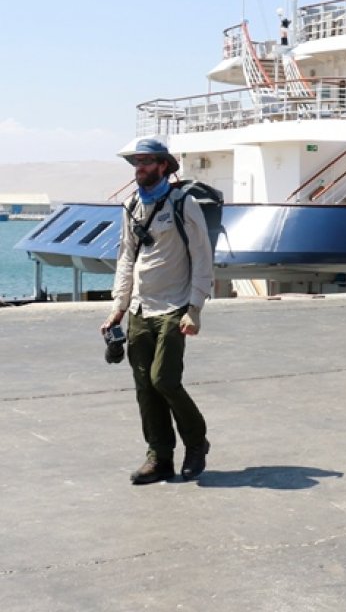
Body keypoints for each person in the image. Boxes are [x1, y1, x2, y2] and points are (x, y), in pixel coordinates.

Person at [101, 138, 213, 485]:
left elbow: (202, 257)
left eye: (147, 161)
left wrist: (194, 307)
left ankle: (196, 444)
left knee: (164, 380)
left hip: (174, 306)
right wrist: (118, 307)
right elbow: (126, 258)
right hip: (139, 308)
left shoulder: (184, 204)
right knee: (144, 388)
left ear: (164, 165)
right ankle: (159, 458)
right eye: (136, 162)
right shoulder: (131, 205)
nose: (140, 168)